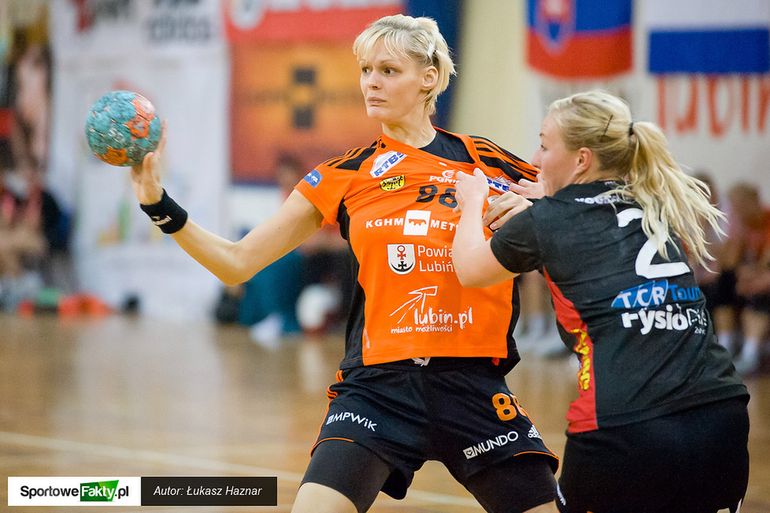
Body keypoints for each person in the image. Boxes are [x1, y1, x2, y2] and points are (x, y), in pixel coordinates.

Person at [130, 14, 559, 513]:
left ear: (428, 78)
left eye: (388, 71)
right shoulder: (344, 174)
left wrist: (540, 208)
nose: (371, 82)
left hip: (473, 384)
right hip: (378, 390)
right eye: (366, 70)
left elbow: (582, 205)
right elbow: (236, 263)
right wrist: (158, 204)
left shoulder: (484, 159)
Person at [452, 90, 749, 513]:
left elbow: (469, 270)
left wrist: (471, 203)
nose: (535, 158)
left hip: (624, 426)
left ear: (581, 159)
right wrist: (546, 200)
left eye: (544, 145)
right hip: (722, 416)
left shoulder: (545, 220)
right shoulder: (651, 201)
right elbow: (588, 220)